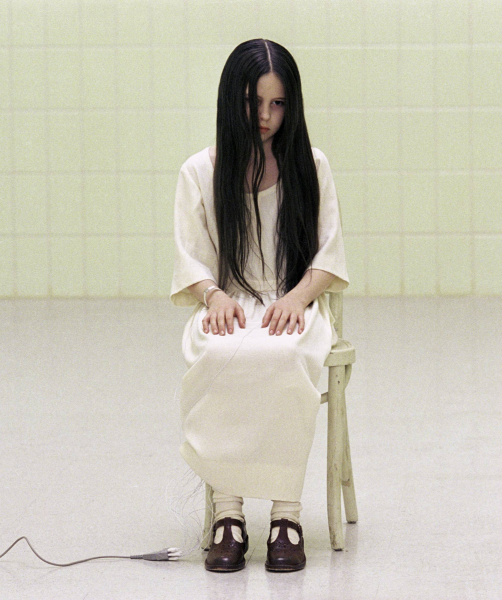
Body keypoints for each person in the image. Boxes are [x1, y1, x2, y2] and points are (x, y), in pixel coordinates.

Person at [170, 39, 348, 573]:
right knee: (223, 354)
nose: (266, 116)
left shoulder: (311, 165)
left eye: (278, 103)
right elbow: (191, 260)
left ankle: (286, 515)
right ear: (232, 100)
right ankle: (228, 514)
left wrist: (298, 297)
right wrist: (213, 296)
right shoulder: (199, 171)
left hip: (294, 299)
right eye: (255, 103)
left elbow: (330, 253)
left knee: (282, 354)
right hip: (228, 301)